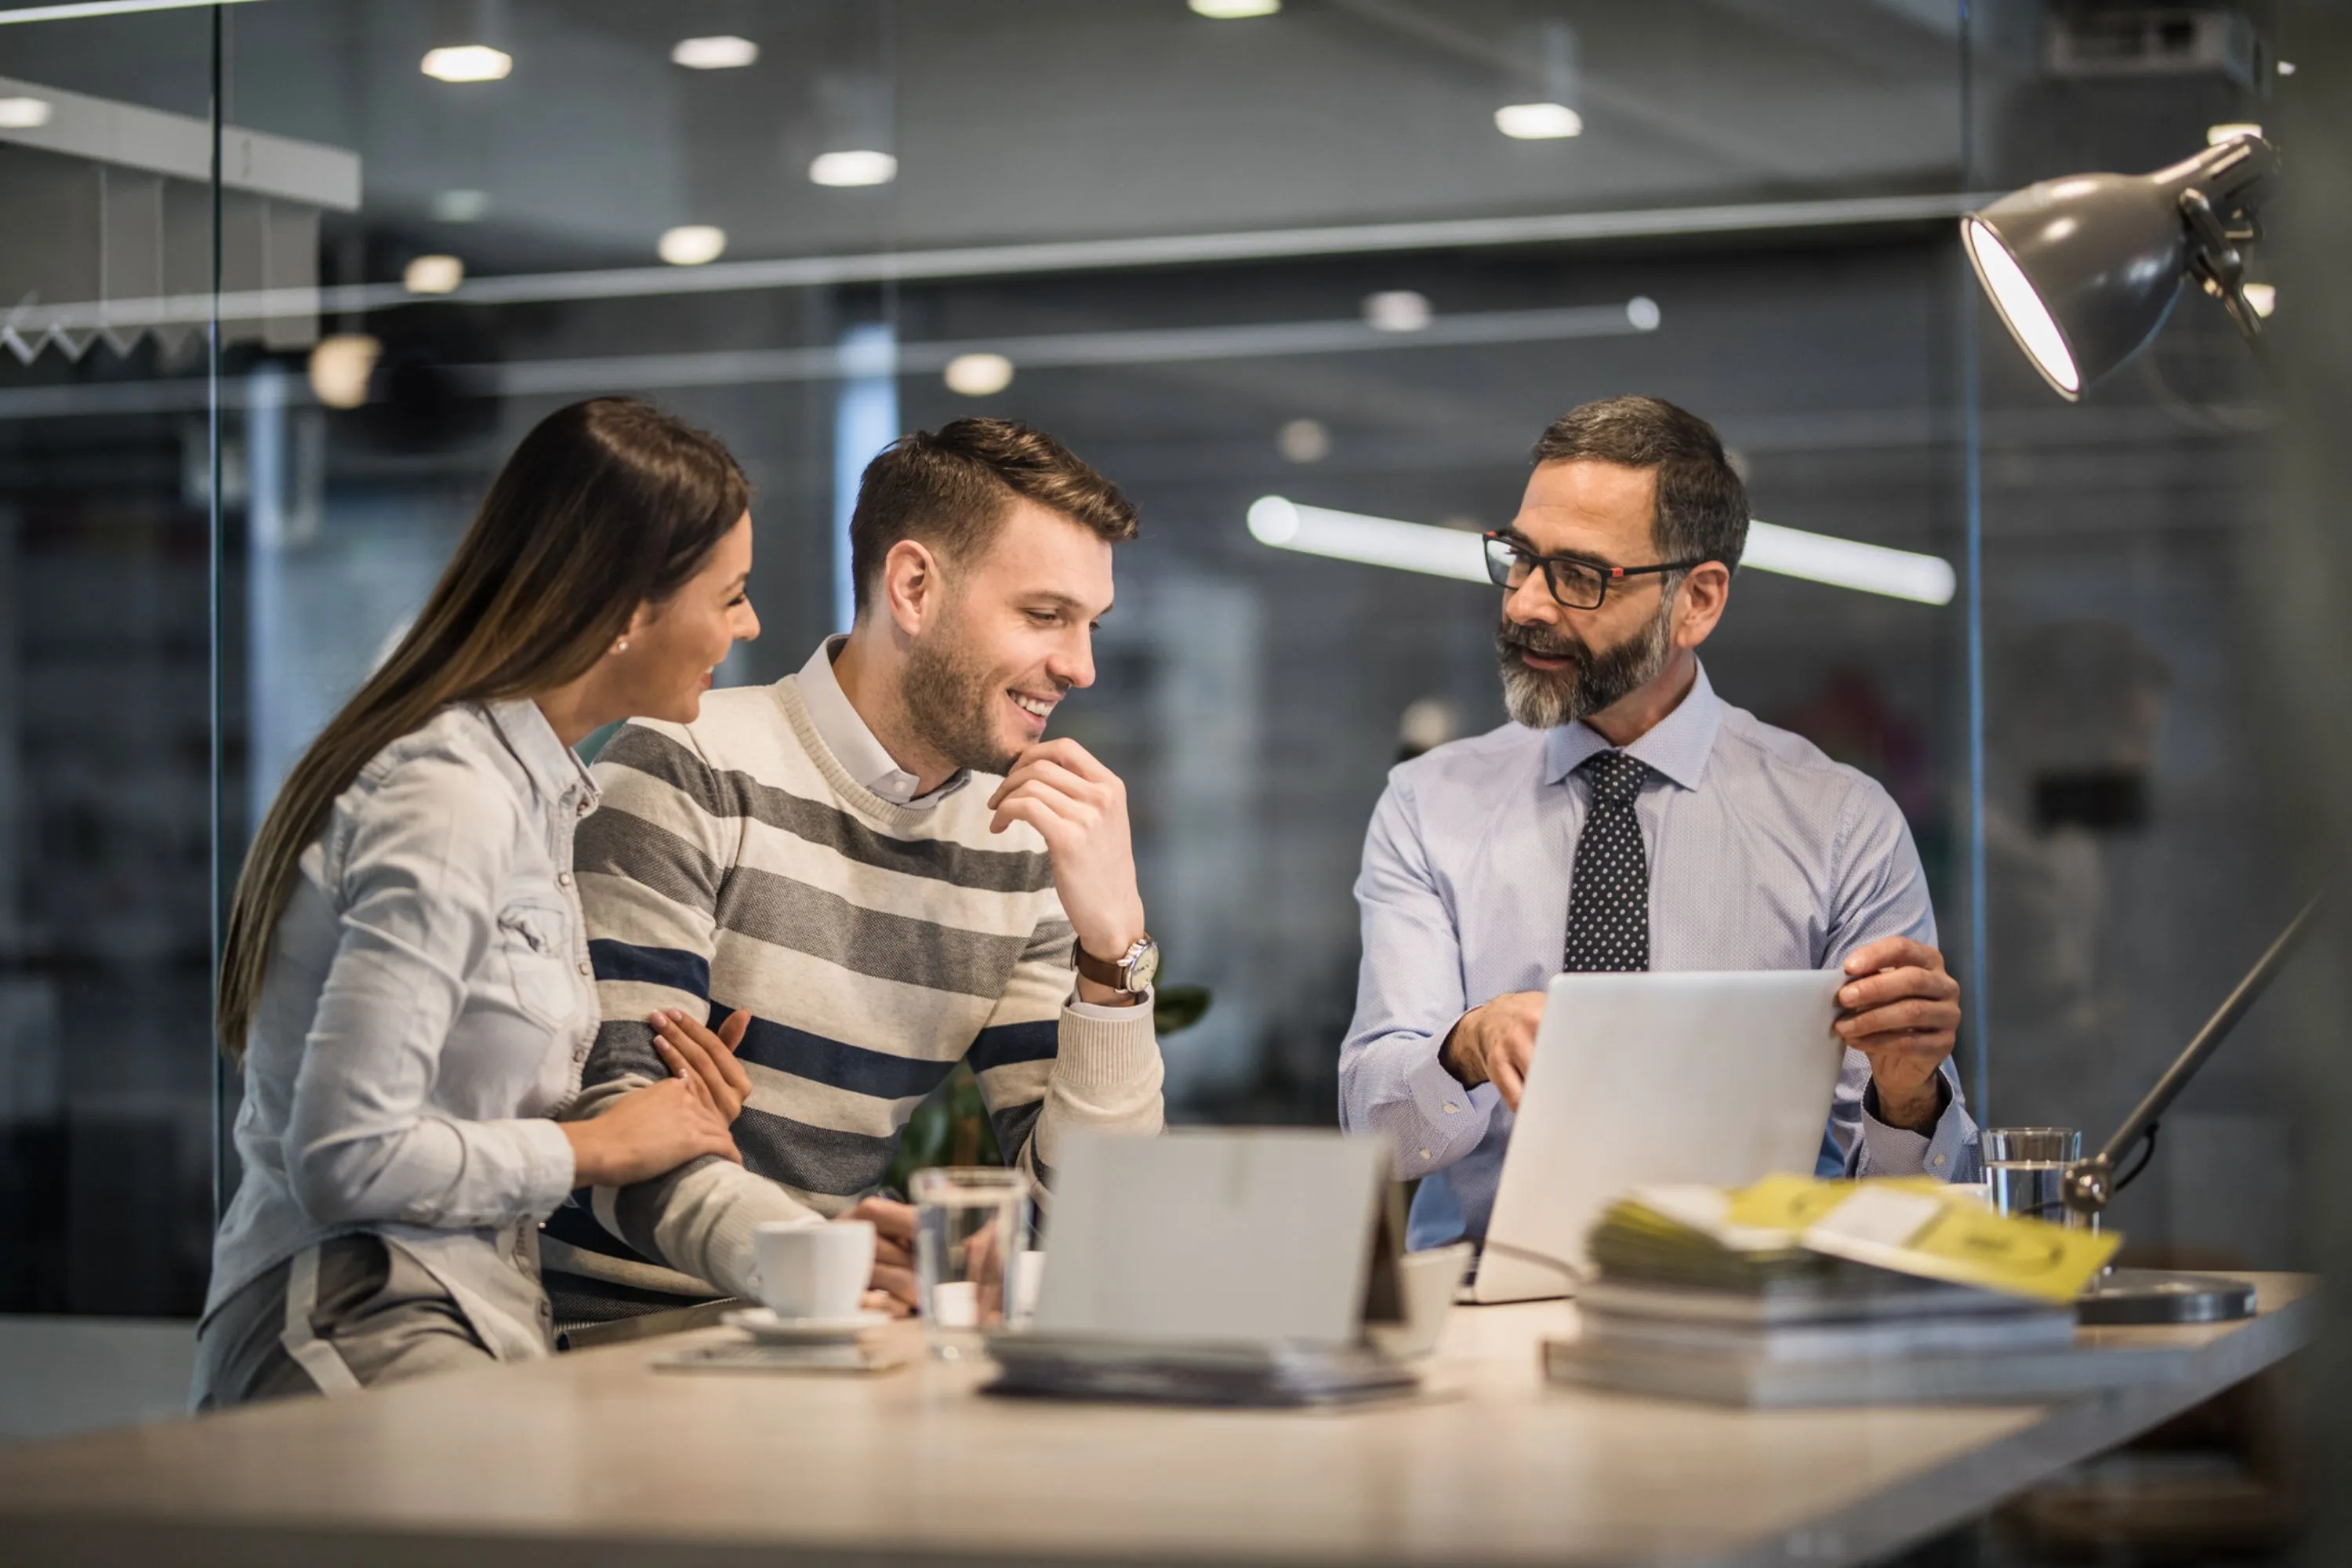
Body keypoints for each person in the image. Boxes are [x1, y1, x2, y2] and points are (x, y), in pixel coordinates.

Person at [194, 398, 760, 1406]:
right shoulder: (449, 794)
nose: (748, 623)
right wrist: (598, 1146)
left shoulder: (526, 781)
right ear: (631, 608)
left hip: (460, 1316)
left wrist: (654, 1120)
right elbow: (345, 1158)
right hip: (353, 1318)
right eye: (732, 594)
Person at [541, 416, 1163, 1320]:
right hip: (633, 1353)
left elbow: (1103, 1220)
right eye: (1045, 615)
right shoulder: (687, 762)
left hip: (838, 1346)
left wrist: (1114, 950)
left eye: (1091, 624)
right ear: (913, 585)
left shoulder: (1022, 841)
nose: (1080, 665)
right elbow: (617, 1134)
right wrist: (822, 1263)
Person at [1339, 394, 1977, 1251]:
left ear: (1698, 600)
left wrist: (1907, 1094)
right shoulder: (1429, 806)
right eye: (1520, 558)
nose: (1526, 603)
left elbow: (1906, 1207)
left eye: (1578, 575)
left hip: (1753, 1306)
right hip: (1481, 1317)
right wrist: (1465, 1043)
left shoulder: (1840, 823)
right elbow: (1374, 1134)